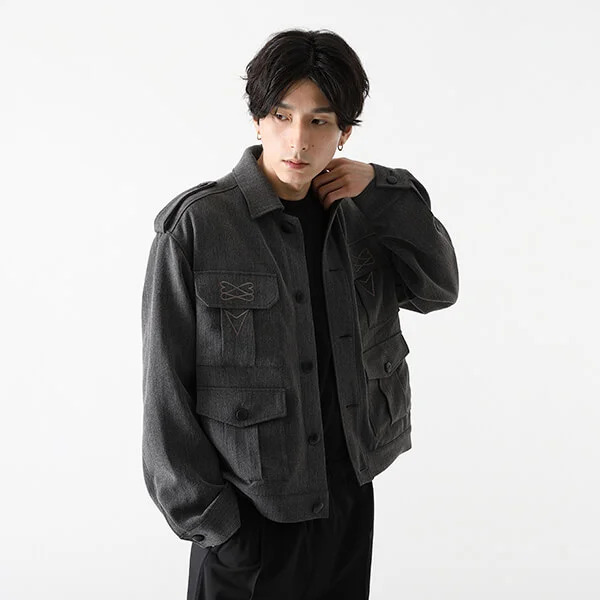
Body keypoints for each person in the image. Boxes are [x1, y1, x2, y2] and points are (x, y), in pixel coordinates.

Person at [141, 28, 459, 600]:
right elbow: (165, 389)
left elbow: (437, 288)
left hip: (346, 499)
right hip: (249, 519)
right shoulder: (197, 227)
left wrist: (383, 189)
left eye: (319, 121)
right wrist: (215, 525)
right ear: (257, 120)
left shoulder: (363, 214)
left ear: (345, 132)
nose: (298, 139)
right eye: (282, 116)